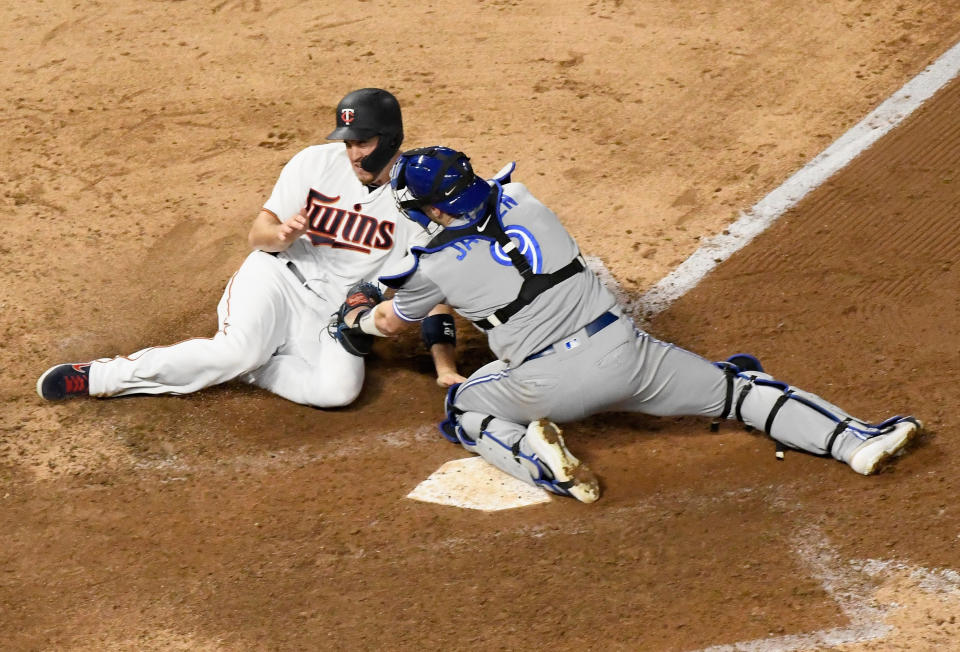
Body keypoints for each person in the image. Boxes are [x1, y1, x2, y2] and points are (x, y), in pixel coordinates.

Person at [334, 145, 922, 503]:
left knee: (466, 407)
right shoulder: (527, 200)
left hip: (545, 385)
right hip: (633, 359)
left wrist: (355, 322)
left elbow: (389, 319)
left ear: (431, 209)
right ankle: (856, 442)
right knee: (740, 392)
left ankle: (539, 458)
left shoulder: (432, 264)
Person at [36, 89, 464, 406]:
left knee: (338, 393)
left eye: (362, 143)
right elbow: (258, 232)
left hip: (335, 315)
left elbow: (432, 292)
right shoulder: (313, 163)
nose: (352, 153)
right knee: (236, 349)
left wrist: (445, 368)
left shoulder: (420, 199)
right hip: (278, 277)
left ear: (389, 140)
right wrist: (278, 237)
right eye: (348, 142)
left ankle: (253, 366)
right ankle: (100, 376)